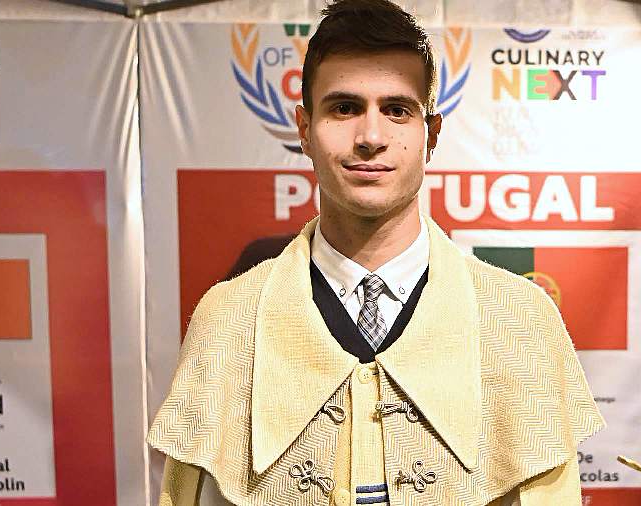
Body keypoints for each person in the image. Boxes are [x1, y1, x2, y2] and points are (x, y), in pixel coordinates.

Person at [148, 1, 604, 504]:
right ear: (304, 129)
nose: (370, 137)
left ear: (431, 134)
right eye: (344, 108)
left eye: (397, 110)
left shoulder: (522, 322)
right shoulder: (229, 321)